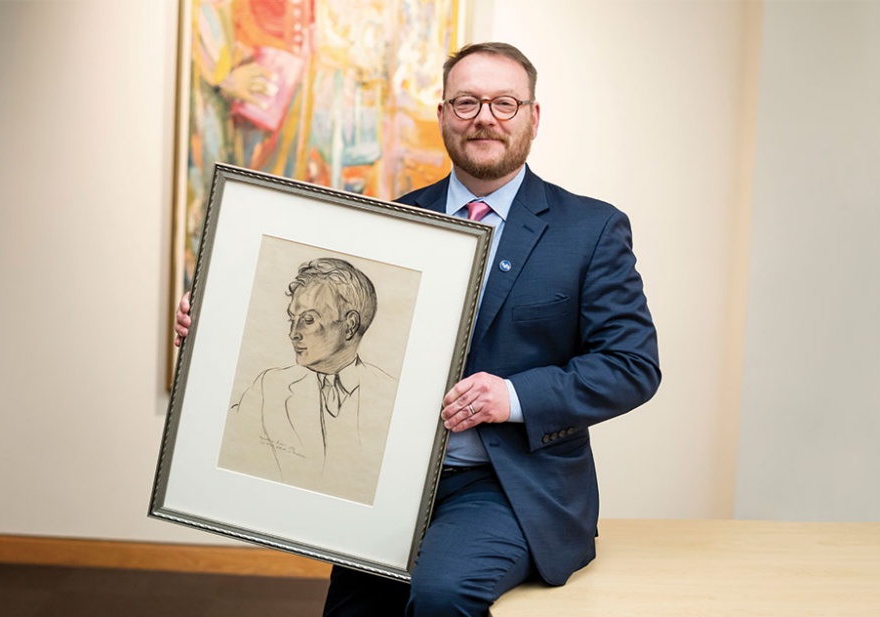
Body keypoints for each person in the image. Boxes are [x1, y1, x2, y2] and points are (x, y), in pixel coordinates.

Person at [175, 41, 661, 617]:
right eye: (467, 102)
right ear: (443, 116)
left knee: (441, 597)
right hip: (387, 483)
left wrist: (511, 396)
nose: (484, 117)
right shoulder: (394, 219)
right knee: (350, 610)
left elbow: (632, 366)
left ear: (533, 117)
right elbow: (336, 318)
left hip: (508, 485)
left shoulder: (591, 229)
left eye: (504, 103)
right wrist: (214, 319)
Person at [218, 258, 397, 505]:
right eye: (292, 319)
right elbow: (228, 454)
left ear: (350, 326)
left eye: (309, 320)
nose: (293, 333)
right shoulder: (269, 388)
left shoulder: (391, 396)